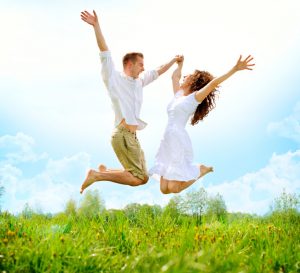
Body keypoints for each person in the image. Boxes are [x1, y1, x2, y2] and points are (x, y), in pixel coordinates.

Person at [80, 10, 181, 194]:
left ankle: (102, 172)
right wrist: (96, 26)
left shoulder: (139, 82)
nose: (143, 67)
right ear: (130, 64)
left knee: (143, 177)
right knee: (139, 178)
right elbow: (105, 52)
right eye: (141, 64)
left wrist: (174, 61)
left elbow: (158, 71)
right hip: (122, 134)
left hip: (132, 136)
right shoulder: (113, 79)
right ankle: (97, 175)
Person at [149, 55, 255, 194]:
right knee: (164, 189)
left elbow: (213, 84)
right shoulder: (178, 95)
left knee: (174, 188)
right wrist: (180, 64)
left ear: (194, 82)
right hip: (167, 140)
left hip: (178, 140)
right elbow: (174, 77)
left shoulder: (194, 98)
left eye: (188, 76)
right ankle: (196, 170)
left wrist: (234, 69)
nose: (184, 77)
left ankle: (200, 170)